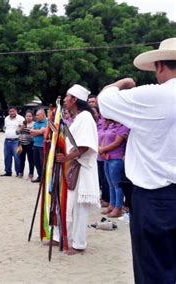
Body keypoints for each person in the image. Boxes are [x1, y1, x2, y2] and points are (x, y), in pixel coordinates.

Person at [98, 37, 176, 283]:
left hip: (156, 196)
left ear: (160, 66)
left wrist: (124, 82)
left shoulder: (156, 96)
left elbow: (104, 101)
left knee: (153, 270)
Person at [54, 84, 100, 255]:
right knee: (67, 204)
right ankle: (62, 237)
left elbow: (85, 146)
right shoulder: (78, 118)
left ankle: (79, 244)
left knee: (79, 208)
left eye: (67, 96)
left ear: (74, 99)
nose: (65, 99)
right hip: (72, 167)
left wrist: (66, 157)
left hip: (81, 168)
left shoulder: (86, 117)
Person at [99, 120, 129, 218]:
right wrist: (102, 150)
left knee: (117, 185)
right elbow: (104, 138)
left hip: (116, 158)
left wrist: (103, 149)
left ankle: (118, 208)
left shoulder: (123, 126)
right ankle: (112, 205)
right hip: (107, 158)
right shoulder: (111, 125)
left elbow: (117, 143)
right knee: (110, 184)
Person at [1, 107, 24, 177]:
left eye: (13, 111)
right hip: (7, 140)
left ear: (16, 111)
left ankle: (18, 172)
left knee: (17, 157)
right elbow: (5, 127)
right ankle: (8, 171)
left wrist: (20, 130)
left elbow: (24, 127)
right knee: (7, 157)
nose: (11, 113)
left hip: (16, 141)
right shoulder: (6, 118)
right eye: (10, 111)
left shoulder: (21, 118)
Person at [29, 109, 47, 183]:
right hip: (35, 145)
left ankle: (44, 177)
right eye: (36, 115)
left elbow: (42, 131)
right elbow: (31, 132)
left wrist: (38, 132)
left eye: (37, 115)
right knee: (36, 162)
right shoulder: (36, 123)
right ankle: (39, 176)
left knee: (42, 162)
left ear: (43, 115)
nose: (36, 117)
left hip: (42, 146)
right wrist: (38, 132)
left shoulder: (46, 122)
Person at [18, 110, 34, 179]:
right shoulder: (22, 123)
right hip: (21, 144)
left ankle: (31, 173)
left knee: (30, 159)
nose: (28, 117)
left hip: (30, 144)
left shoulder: (34, 124)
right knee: (21, 159)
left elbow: (33, 134)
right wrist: (21, 128)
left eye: (30, 116)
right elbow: (16, 132)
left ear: (32, 117)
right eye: (27, 116)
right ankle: (20, 172)